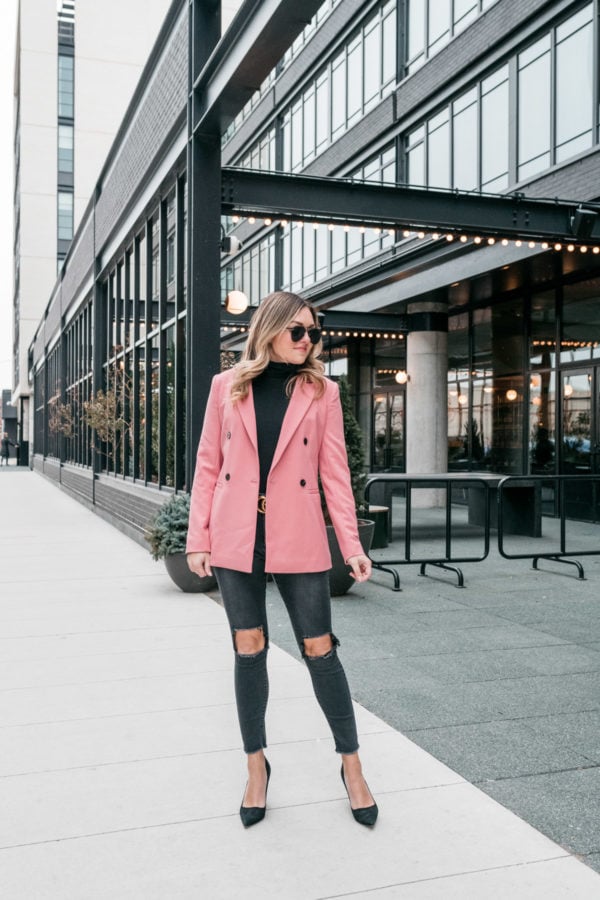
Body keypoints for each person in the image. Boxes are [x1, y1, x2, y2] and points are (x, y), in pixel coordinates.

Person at [186, 290, 377, 828]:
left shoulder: (323, 391)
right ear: (269, 328)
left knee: (320, 649)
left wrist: (352, 546)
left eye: (314, 333)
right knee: (249, 649)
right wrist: (197, 539)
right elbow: (206, 466)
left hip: (297, 535)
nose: (307, 341)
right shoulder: (228, 386)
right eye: (298, 331)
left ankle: (353, 766)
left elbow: (335, 474)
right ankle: (256, 768)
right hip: (236, 536)